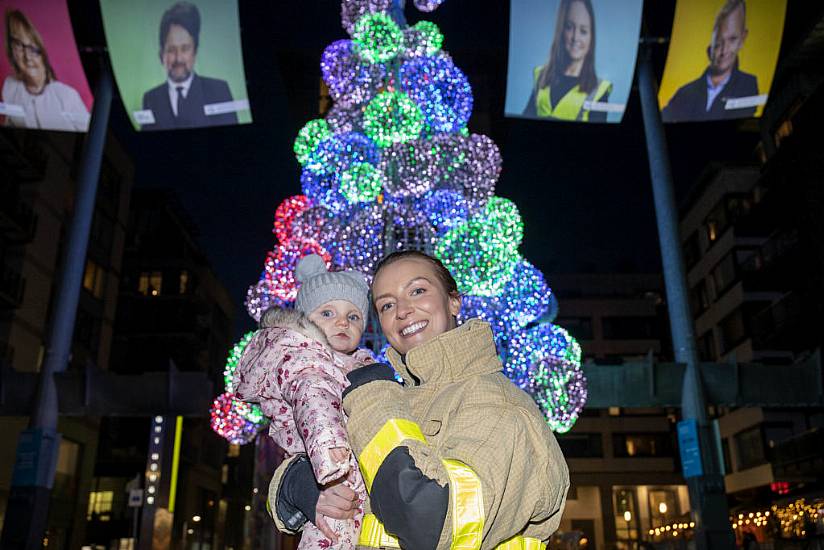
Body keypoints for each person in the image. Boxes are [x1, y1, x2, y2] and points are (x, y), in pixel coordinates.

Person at [270, 250, 570, 550]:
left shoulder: (500, 407)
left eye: (417, 291)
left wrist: (374, 395)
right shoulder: (397, 396)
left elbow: (431, 522)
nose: (402, 310)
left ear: (454, 301)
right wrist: (300, 486)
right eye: (387, 304)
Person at [234, 254, 375, 549]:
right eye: (327, 313)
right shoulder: (306, 359)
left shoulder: (347, 364)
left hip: (339, 471)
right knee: (333, 533)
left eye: (353, 316)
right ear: (305, 320)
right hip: (328, 467)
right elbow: (315, 401)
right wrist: (329, 451)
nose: (342, 322)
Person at [141, 2, 238, 130]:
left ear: (195, 51)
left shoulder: (219, 91)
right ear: (161, 54)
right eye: (171, 50)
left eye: (185, 48)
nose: (178, 58)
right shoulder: (151, 99)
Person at [662, 0, 759, 122]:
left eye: (732, 39)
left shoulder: (748, 85)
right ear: (710, 46)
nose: (724, 50)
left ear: (743, 39)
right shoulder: (685, 92)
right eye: (718, 42)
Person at [523, 0, 611, 122]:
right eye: (569, 27)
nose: (575, 37)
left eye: (583, 31)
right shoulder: (541, 76)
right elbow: (523, 124)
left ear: (592, 37)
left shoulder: (600, 90)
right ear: (561, 30)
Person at [2, 9, 89, 131]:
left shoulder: (67, 96)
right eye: (19, 45)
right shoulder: (11, 86)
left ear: (43, 54)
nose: (27, 57)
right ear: (11, 49)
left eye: (33, 49)